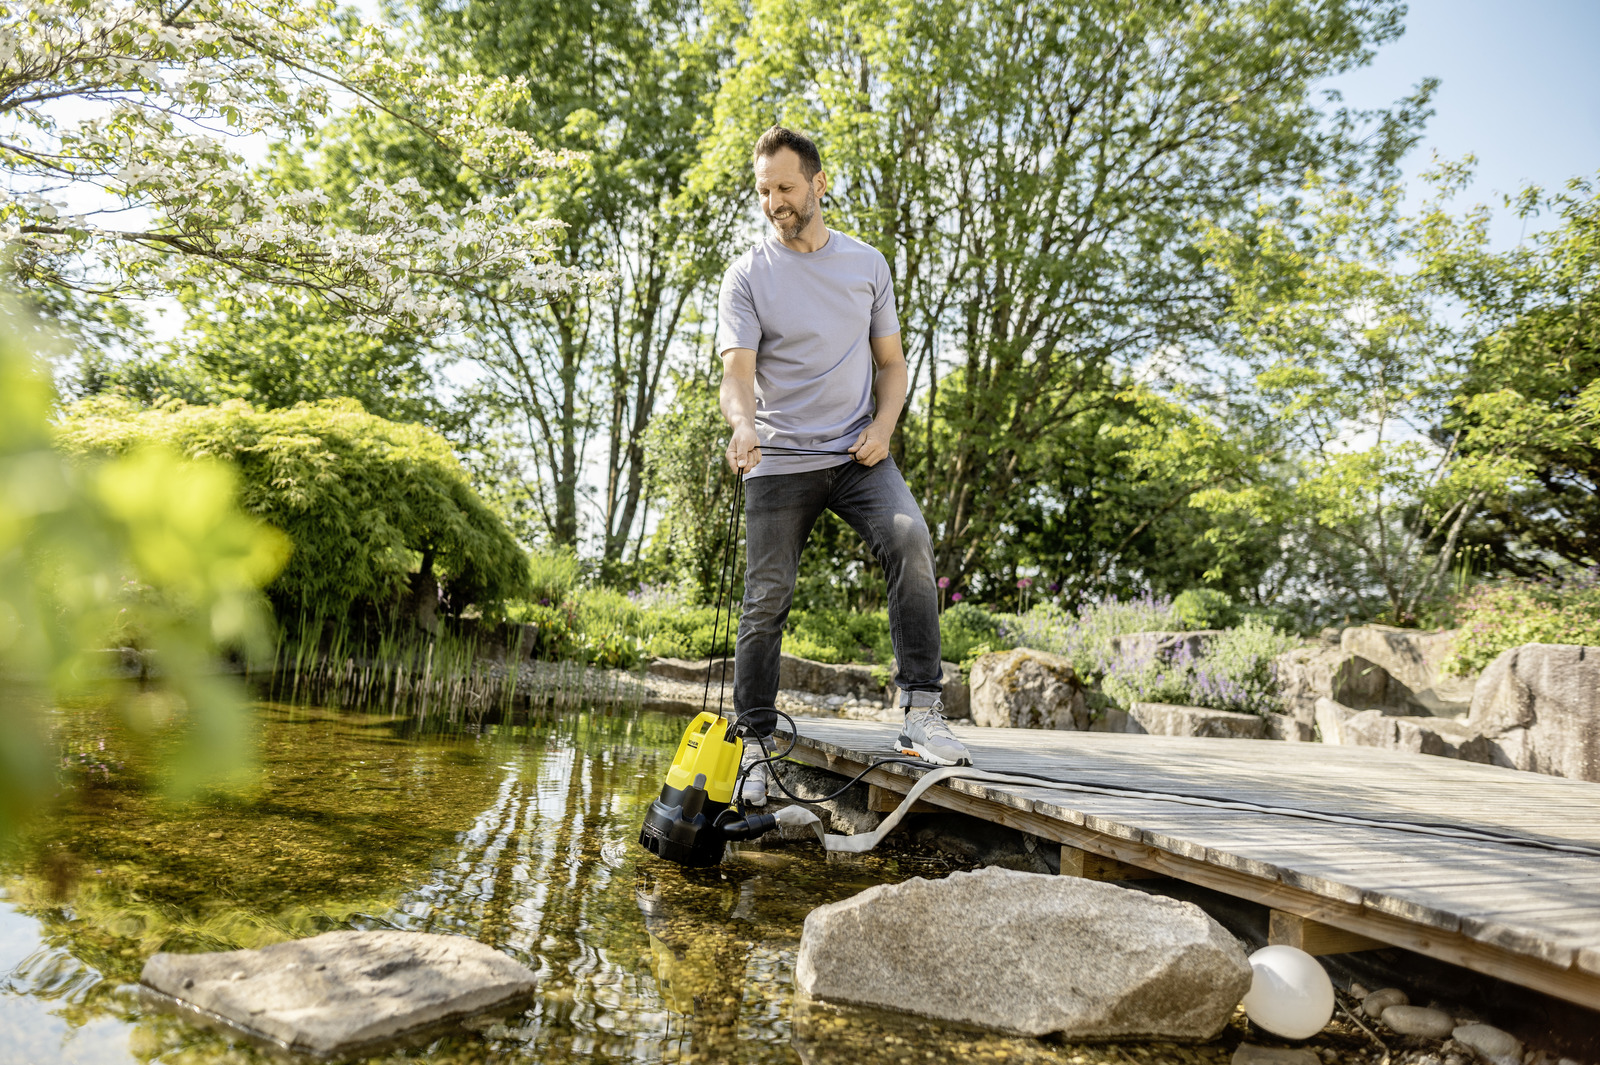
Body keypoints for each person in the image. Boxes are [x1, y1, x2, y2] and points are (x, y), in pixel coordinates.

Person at [717, 125, 971, 805]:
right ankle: (755, 745)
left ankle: (921, 713)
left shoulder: (867, 265)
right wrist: (742, 425)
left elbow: (891, 364)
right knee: (766, 595)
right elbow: (736, 375)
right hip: (779, 458)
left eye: (786, 187)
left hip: (859, 453)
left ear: (819, 183)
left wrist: (883, 429)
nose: (774, 201)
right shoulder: (748, 275)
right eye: (764, 190)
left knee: (911, 539)